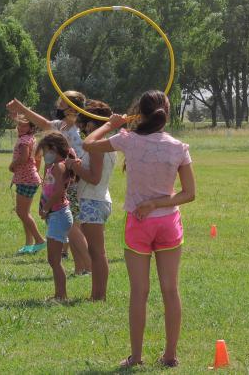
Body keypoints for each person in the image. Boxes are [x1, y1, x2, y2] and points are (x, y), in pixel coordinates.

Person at [83, 90, 196, 368]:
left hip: (139, 224)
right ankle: (170, 356)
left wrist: (111, 124)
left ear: (140, 113)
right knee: (171, 290)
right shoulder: (179, 147)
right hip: (168, 223)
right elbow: (189, 193)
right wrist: (159, 202)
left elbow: (88, 143)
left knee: (139, 292)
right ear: (166, 113)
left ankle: (136, 357)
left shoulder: (128, 140)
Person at [6, 94, 92, 276]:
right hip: (61, 181)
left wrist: (21, 107)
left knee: (74, 226)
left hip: (75, 182)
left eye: (63, 101)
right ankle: (80, 268)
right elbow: (42, 122)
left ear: (72, 106)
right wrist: (21, 108)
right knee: (71, 226)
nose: (59, 103)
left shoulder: (80, 128)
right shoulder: (60, 125)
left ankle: (90, 266)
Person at [65, 100, 117, 301]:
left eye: (86, 124)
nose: (84, 128)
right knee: (96, 253)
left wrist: (74, 166)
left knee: (97, 253)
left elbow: (94, 177)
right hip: (97, 199)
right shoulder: (105, 145)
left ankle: (99, 296)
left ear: (94, 124)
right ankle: (96, 294)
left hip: (94, 201)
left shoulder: (97, 147)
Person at [35, 132, 77, 301]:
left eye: (46, 151)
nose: (45, 155)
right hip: (55, 215)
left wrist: (46, 208)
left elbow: (59, 191)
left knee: (54, 260)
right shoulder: (53, 166)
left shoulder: (59, 166)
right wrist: (42, 207)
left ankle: (61, 295)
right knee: (53, 259)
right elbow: (47, 189)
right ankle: (59, 294)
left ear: (55, 149)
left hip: (59, 215)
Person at [8, 112, 45, 255]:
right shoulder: (31, 138)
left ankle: (39, 240)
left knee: (21, 212)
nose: (20, 128)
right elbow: (36, 159)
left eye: (24, 125)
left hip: (26, 179)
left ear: (31, 127)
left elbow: (24, 158)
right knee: (25, 213)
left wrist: (12, 165)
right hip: (28, 178)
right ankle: (29, 244)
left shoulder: (24, 141)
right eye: (19, 125)